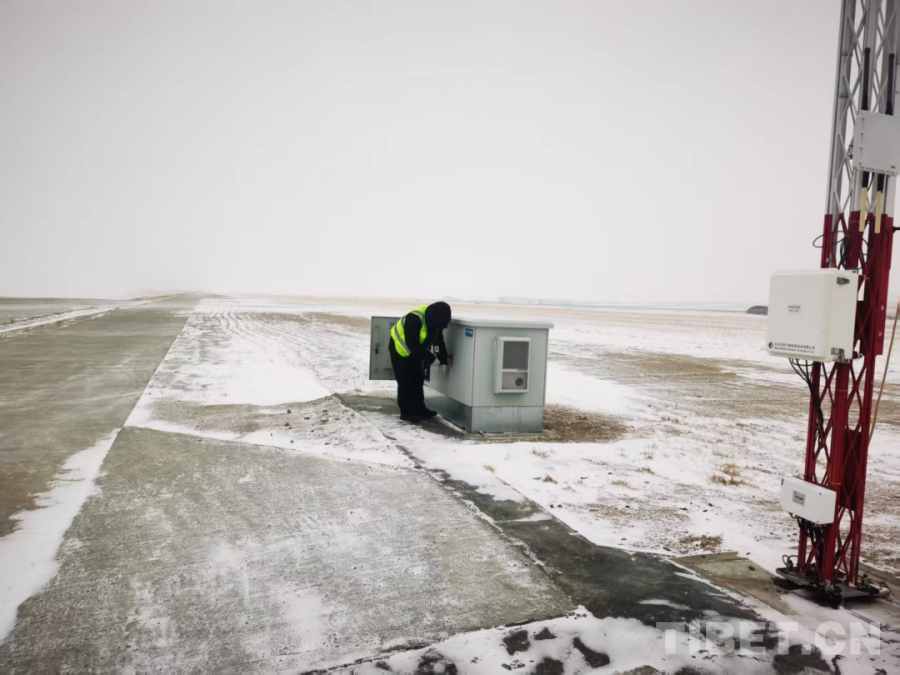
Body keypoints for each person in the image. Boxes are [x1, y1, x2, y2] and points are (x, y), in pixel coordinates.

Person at [389, 302, 451, 422]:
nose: (438, 328)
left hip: (416, 350)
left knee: (418, 379)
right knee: (405, 381)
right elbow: (412, 344)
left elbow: (439, 341)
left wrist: (443, 360)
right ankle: (406, 412)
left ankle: (419, 408)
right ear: (433, 319)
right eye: (438, 325)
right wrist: (432, 358)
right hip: (399, 349)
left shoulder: (435, 320)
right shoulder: (415, 318)